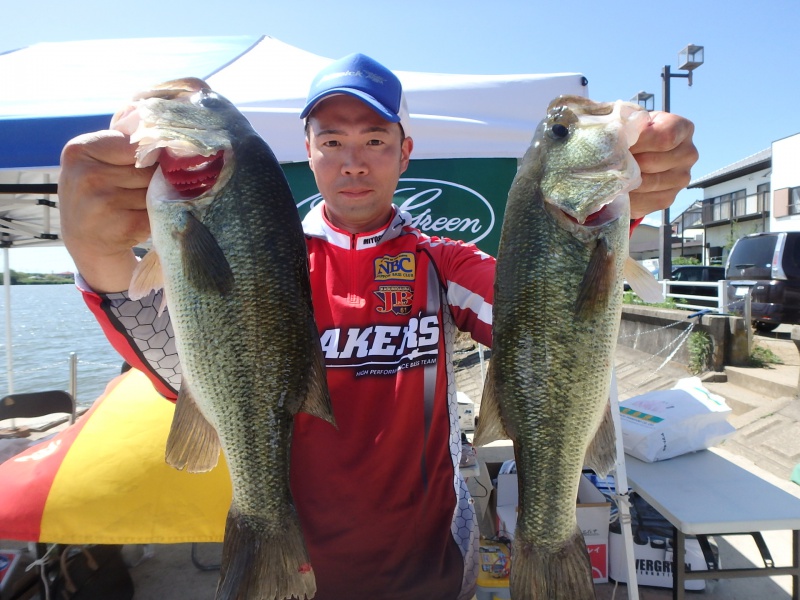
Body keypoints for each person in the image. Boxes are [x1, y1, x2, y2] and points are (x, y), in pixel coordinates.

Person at [58, 53, 698, 600]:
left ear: (404, 152)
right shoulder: (269, 261)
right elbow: (176, 361)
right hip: (298, 566)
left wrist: (610, 228)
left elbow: (540, 322)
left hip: (435, 567)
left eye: (374, 140)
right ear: (307, 153)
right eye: (332, 141)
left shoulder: (444, 262)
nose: (353, 162)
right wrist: (99, 259)